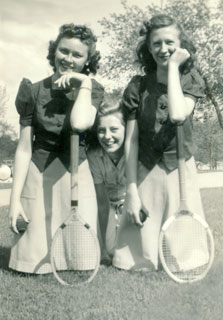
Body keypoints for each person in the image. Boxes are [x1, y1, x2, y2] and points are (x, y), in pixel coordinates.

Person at [113, 14, 206, 271]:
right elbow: (130, 141)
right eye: (156, 44)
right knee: (139, 258)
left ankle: (182, 259)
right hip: (146, 167)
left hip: (179, 166)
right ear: (148, 48)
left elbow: (177, 114)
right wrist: (131, 190)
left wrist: (174, 68)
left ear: (181, 44)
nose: (163, 49)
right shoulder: (137, 86)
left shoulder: (191, 79)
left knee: (183, 257)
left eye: (169, 42)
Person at [9, 23, 104, 274]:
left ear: (87, 60)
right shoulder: (33, 90)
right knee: (32, 260)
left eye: (77, 55)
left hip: (77, 171)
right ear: (54, 52)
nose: (69, 59)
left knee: (79, 260)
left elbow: (80, 122)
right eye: (64, 51)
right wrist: (14, 200)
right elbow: (23, 149)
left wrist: (83, 83)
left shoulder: (93, 89)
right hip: (39, 172)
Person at [86, 103, 126, 264]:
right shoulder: (94, 156)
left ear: (126, 128)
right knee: (110, 251)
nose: (107, 136)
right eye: (101, 130)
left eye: (114, 129)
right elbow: (102, 203)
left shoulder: (135, 153)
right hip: (108, 206)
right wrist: (102, 248)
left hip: (129, 205)